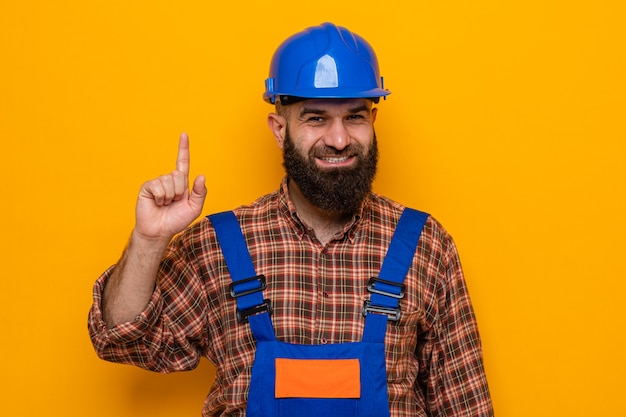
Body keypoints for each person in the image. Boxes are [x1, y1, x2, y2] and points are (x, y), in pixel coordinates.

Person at [88, 22, 493, 417]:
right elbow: (123, 341)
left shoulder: (425, 244)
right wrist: (148, 240)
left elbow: (466, 406)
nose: (339, 139)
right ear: (279, 129)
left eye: (355, 116)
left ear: (373, 121)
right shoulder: (218, 244)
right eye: (316, 118)